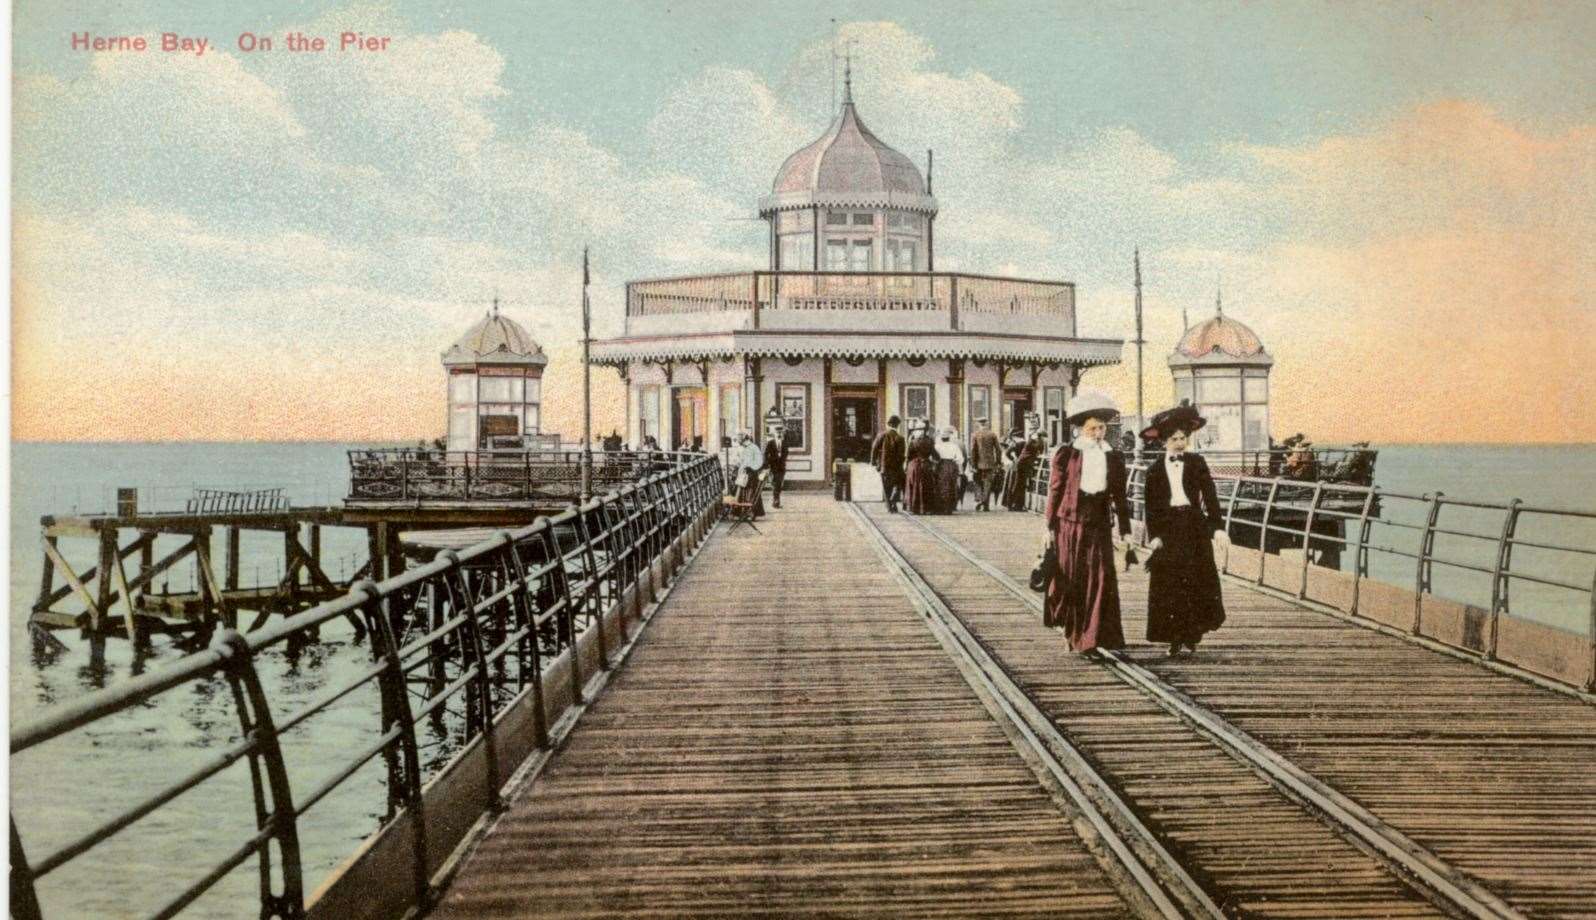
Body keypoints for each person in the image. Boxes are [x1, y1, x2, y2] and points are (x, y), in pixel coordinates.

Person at [1044, 391, 1131, 653]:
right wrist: (1047, 526)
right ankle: (1075, 633)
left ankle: (1097, 636)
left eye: (1102, 428)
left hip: (1099, 522)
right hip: (1070, 523)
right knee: (1074, 579)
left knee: (1102, 576)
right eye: (1092, 428)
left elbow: (1120, 495)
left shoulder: (1113, 456)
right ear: (1082, 429)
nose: (1098, 433)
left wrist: (1126, 531)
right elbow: (1055, 490)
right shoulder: (1067, 454)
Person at [1140, 406, 1228, 656]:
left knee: (1196, 580)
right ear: (1164, 442)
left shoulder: (1197, 462)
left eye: (1183, 439)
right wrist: (1154, 535)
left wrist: (1218, 528)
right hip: (1168, 529)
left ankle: (1192, 635)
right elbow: (1151, 507)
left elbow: (1210, 497)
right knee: (1171, 584)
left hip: (1194, 527)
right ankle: (1174, 638)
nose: (1180, 444)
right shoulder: (1155, 470)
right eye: (1175, 439)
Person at [1001, 423, 1044, 511]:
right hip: (1023, 465)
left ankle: (1013, 504)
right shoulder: (1028, 441)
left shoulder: (1025, 441)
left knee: (1016, 484)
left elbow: (1007, 452)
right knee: (1019, 485)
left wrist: (1014, 459)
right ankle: (1016, 505)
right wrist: (1040, 438)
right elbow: (1039, 449)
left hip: (1019, 464)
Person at [871, 415, 907, 512]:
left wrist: (874, 462)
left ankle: (890, 507)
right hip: (897, 467)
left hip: (884, 467)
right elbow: (902, 455)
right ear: (897, 425)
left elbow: (874, 448)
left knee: (886, 487)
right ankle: (894, 500)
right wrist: (901, 464)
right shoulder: (900, 438)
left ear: (889, 424)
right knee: (898, 484)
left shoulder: (881, 435)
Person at [969, 417, 1003, 511]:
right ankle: (986, 504)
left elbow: (973, 450)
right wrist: (998, 462)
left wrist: (973, 463)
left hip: (978, 463)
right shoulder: (992, 434)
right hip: (990, 463)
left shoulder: (975, 434)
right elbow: (998, 450)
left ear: (979, 424)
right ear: (987, 423)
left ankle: (980, 499)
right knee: (988, 483)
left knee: (978, 482)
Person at [904, 420, 937, 514]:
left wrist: (907, 466)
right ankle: (926, 508)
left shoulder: (913, 441)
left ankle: (915, 507)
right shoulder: (930, 441)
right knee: (926, 486)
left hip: (915, 465)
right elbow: (935, 455)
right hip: (926, 465)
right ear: (926, 430)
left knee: (914, 486)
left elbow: (908, 456)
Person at [934, 426, 966, 513]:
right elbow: (960, 458)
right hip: (952, 465)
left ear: (941, 438)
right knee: (952, 485)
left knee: (941, 486)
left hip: (941, 466)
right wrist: (958, 465)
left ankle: (941, 506)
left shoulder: (937, 446)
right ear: (949, 438)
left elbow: (934, 458)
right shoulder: (954, 446)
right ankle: (950, 507)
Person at [735, 431, 766, 518]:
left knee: (751, 491)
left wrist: (751, 468)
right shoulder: (741, 448)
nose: (737, 440)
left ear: (744, 438)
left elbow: (759, 461)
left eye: (739, 438)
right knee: (741, 491)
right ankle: (742, 511)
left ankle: (750, 511)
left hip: (751, 473)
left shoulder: (753, 448)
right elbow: (739, 460)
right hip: (743, 473)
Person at [763, 423, 790, 509]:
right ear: (774, 433)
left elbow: (786, 453)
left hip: (781, 467)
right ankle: (776, 501)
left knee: (779, 484)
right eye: (777, 432)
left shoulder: (785, 443)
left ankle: (776, 500)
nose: (779, 434)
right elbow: (765, 454)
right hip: (773, 467)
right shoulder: (770, 443)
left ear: (782, 433)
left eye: (780, 432)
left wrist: (782, 458)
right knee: (775, 484)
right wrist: (768, 464)